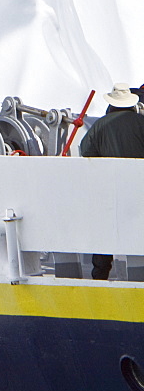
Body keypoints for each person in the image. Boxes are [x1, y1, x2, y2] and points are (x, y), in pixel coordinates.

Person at [79, 83, 144, 280]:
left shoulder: (99, 125)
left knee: (105, 233)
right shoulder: (141, 122)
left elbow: (86, 152)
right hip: (138, 188)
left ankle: (100, 276)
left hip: (110, 190)